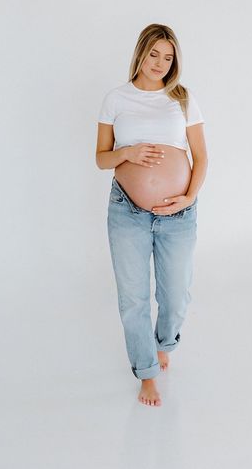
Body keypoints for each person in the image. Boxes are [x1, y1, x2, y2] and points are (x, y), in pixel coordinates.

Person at [95, 23, 208, 407]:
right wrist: (127, 153)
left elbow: (202, 157)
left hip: (179, 212)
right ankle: (145, 372)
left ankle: (164, 343)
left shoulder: (182, 98)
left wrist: (188, 197)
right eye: (154, 54)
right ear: (140, 53)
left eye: (168, 56)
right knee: (134, 299)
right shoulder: (116, 98)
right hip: (126, 210)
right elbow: (101, 158)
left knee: (176, 296)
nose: (160, 63)